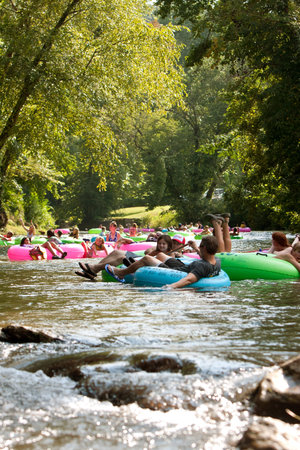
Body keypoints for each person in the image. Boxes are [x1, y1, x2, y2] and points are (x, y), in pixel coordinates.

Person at [104, 235, 221, 289]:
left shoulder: (203, 267)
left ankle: (121, 272)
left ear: (205, 248)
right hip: (184, 265)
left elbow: (190, 279)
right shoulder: (216, 261)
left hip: (176, 271)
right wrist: (195, 248)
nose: (199, 248)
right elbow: (204, 258)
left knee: (146, 259)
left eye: (201, 247)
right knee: (160, 254)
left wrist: (172, 286)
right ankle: (134, 265)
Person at [75, 234, 173, 280]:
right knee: (116, 252)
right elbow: (147, 252)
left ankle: (94, 269)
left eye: (164, 244)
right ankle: (93, 270)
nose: (161, 246)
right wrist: (156, 251)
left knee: (121, 259)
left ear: (168, 245)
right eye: (160, 243)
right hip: (139, 257)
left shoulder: (171, 254)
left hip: (143, 262)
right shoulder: (155, 249)